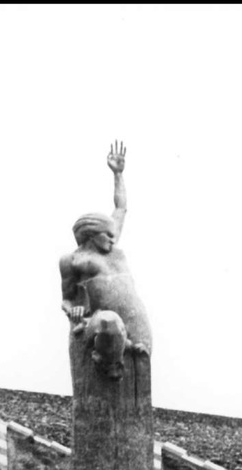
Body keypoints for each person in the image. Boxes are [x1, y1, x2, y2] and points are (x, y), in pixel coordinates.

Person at [59, 141, 152, 358]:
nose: (113, 239)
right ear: (91, 234)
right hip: (105, 321)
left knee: (140, 362)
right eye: (107, 235)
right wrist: (73, 310)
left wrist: (118, 174)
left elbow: (121, 208)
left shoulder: (110, 246)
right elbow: (67, 298)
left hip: (133, 314)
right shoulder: (72, 260)